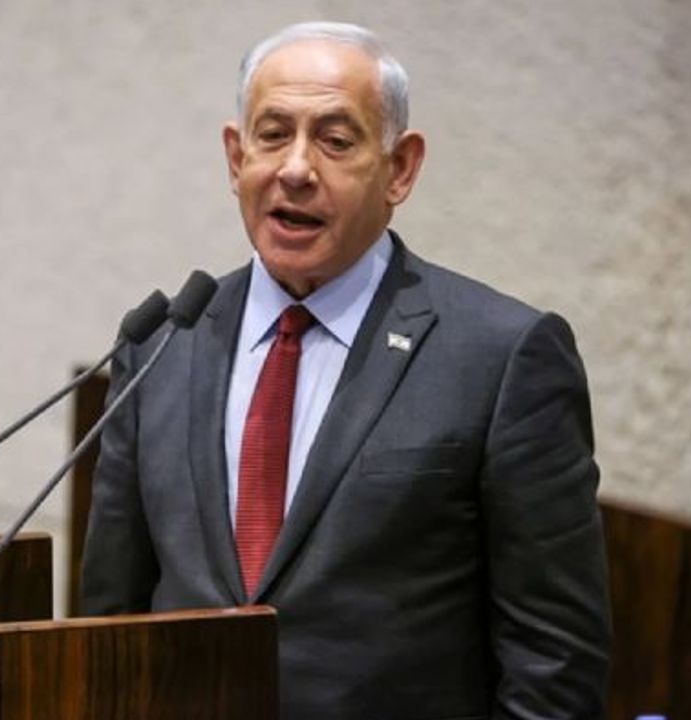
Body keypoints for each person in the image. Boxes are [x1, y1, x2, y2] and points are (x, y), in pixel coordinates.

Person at [80, 21, 611, 719]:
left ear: (400, 169)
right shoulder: (161, 344)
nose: (296, 169)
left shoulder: (501, 356)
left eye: (335, 141)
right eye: (273, 135)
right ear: (236, 158)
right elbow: (110, 625)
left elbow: (555, 663)